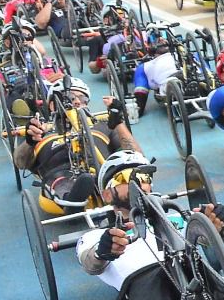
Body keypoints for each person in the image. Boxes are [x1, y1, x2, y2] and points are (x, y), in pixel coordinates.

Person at [76, 150, 224, 300]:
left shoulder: (175, 217)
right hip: (144, 291)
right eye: (125, 178)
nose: (138, 182)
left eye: (143, 177)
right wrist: (105, 250)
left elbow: (211, 249)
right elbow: (90, 262)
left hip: (187, 275)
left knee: (204, 273)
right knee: (150, 283)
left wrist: (221, 227)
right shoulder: (97, 235)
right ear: (107, 194)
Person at [12, 78, 136, 215]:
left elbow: (135, 155)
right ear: (53, 104)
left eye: (83, 99)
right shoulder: (42, 131)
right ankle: (72, 203)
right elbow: (20, 162)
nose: (77, 101)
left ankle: (130, 199)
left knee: (126, 172)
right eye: (70, 97)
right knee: (61, 178)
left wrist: (118, 123)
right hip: (63, 174)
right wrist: (30, 142)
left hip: (105, 173)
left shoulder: (103, 126)